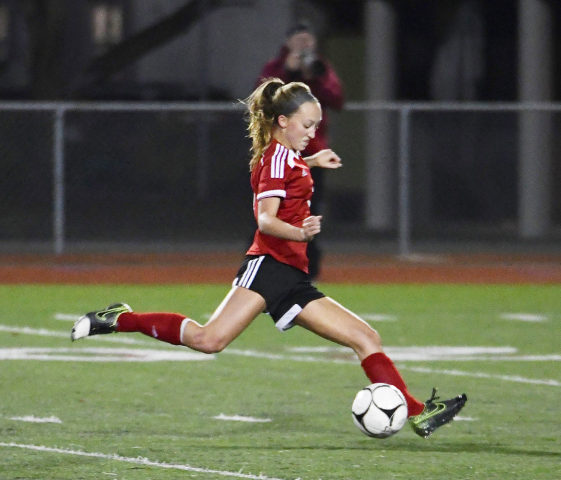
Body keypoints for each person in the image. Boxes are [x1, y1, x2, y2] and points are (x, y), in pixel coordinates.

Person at [71, 78, 466, 438]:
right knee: (210, 340)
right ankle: (120, 318)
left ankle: (418, 413)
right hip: (268, 268)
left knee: (365, 338)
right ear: (282, 121)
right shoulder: (278, 158)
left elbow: (285, 173)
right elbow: (265, 219)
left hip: (291, 276)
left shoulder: (287, 157)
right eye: (307, 125)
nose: (312, 134)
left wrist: (312, 161)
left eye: (315, 126)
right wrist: (301, 232)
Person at [257, 21, 344, 279]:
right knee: (269, 213)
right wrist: (288, 71)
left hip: (309, 155)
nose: (304, 46)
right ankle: (262, 264)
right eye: (299, 41)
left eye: (308, 41)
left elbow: (336, 98)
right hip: (277, 154)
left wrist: (314, 76)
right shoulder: (276, 67)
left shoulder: (319, 68)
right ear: (288, 43)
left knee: (308, 212)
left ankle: (306, 268)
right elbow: (263, 98)